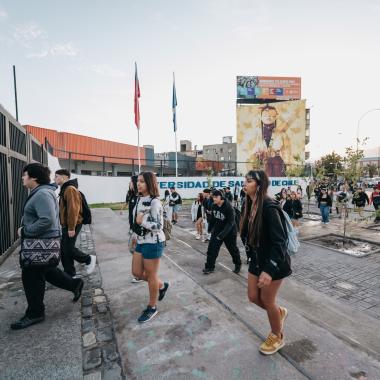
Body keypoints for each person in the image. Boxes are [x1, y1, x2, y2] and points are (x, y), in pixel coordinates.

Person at [11, 164, 84, 330]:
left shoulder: (42, 193)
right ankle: (75, 284)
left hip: (40, 244)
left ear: (33, 177)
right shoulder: (43, 192)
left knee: (30, 276)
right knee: (48, 271)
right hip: (44, 244)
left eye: (25, 175)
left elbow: (47, 220)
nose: (23, 178)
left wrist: (26, 230)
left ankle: (35, 312)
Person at [240, 170, 291, 355]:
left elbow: (280, 242)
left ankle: (277, 336)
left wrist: (269, 270)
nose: (245, 183)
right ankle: (278, 313)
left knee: (268, 300)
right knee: (253, 297)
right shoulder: (250, 204)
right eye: (244, 180)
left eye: (249, 181)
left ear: (260, 185)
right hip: (256, 259)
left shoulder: (269, 207)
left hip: (274, 262)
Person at [131, 172, 169, 323]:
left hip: (153, 242)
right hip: (140, 241)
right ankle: (162, 285)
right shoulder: (139, 198)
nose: (138, 184)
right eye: (138, 181)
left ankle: (152, 307)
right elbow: (135, 220)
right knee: (136, 273)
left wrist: (142, 223)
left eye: (142, 182)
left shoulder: (155, 202)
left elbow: (159, 226)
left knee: (151, 275)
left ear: (150, 184)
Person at [55, 169, 96, 278]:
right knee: (64, 249)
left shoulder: (70, 189)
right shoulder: (65, 189)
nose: (54, 179)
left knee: (68, 248)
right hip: (67, 225)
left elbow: (73, 210)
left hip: (73, 224)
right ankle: (69, 273)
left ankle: (88, 259)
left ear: (63, 177)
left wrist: (71, 227)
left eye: (56, 176)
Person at [203, 190, 242, 275]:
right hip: (217, 230)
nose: (214, 199)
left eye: (216, 197)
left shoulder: (229, 207)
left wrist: (222, 235)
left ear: (221, 197)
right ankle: (209, 267)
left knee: (232, 249)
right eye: (213, 197)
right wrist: (210, 228)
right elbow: (213, 218)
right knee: (211, 249)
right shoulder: (214, 206)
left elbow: (231, 222)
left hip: (230, 232)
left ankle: (238, 264)